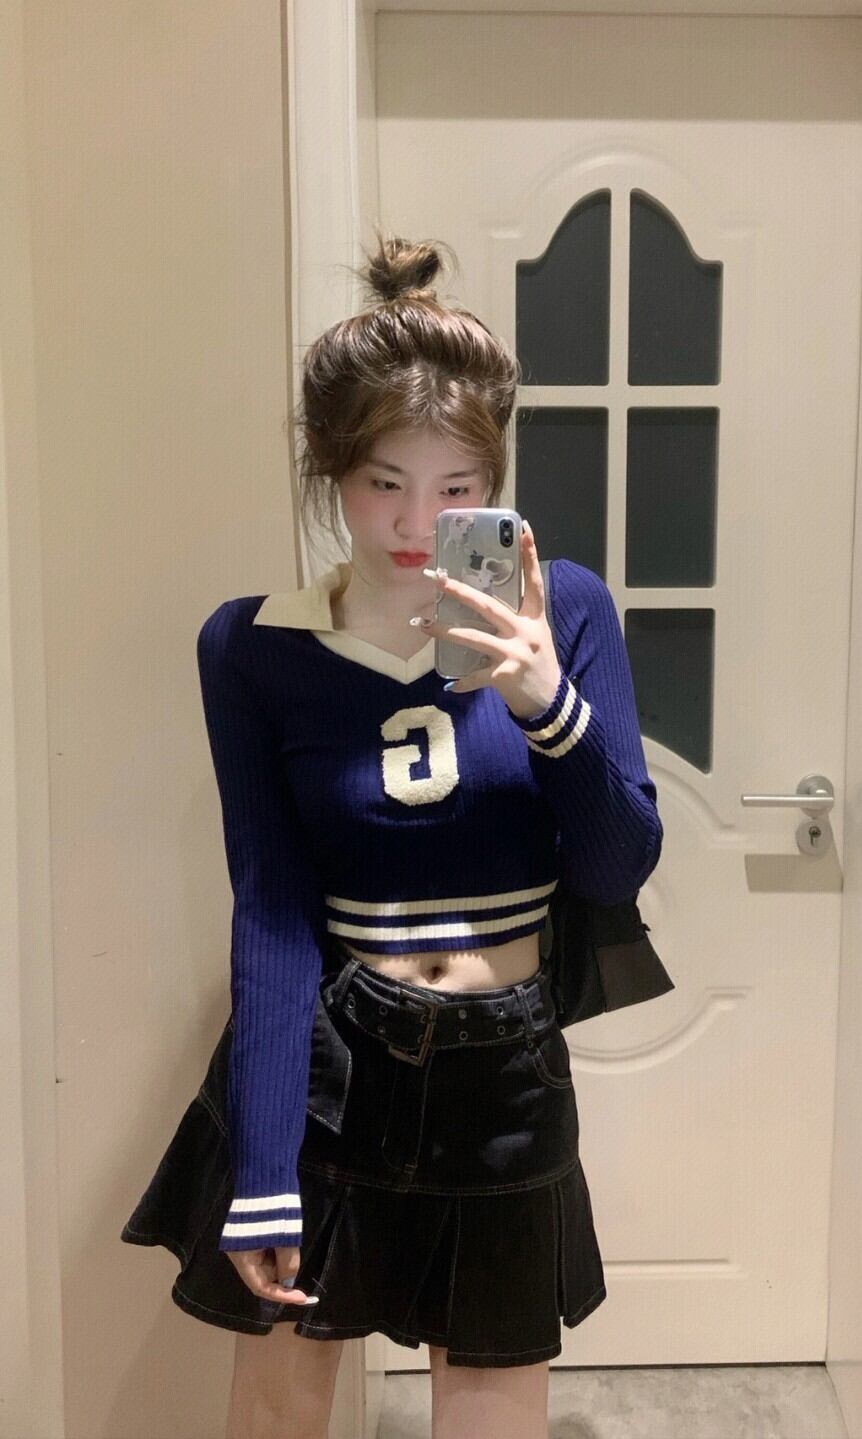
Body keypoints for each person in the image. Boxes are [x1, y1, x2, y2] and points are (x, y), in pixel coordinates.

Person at [120, 230, 663, 1439]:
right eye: (383, 482)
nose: (419, 520)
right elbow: (271, 910)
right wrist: (264, 1164)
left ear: (496, 479)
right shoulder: (254, 647)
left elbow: (620, 861)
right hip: (334, 1060)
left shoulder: (563, 610)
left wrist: (545, 702)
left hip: (506, 1066)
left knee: (492, 1415)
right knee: (276, 1415)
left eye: (458, 487)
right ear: (331, 470)